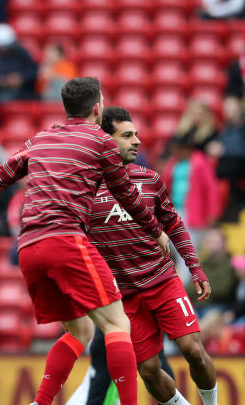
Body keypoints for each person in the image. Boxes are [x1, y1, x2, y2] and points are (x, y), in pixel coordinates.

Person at [0, 77, 170, 405]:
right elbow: (126, 193)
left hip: (28, 248)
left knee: (79, 333)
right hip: (65, 240)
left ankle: (40, 402)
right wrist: (155, 229)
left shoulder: (41, 138)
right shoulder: (100, 141)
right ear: (98, 107)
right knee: (117, 323)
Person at [85, 106, 217, 405]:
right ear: (107, 141)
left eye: (137, 134)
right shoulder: (85, 190)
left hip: (162, 281)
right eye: (128, 135)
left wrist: (195, 268)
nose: (137, 141)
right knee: (148, 370)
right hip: (125, 297)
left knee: (193, 350)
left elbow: (174, 224)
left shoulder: (149, 179)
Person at [0, 23, 38, 101]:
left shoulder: (21, 52)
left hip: (24, 92)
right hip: (3, 93)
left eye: (7, 46)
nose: (5, 49)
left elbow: (34, 72)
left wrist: (21, 78)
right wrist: (1, 82)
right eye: (2, 47)